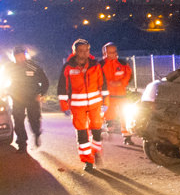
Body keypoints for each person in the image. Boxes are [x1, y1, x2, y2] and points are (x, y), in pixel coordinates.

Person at [58, 39, 109, 171]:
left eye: (87, 50)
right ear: (75, 52)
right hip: (77, 105)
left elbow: (103, 84)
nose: (84, 53)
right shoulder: (68, 67)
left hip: (95, 104)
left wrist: (105, 102)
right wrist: (64, 106)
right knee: (82, 133)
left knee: (97, 130)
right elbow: (62, 88)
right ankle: (88, 161)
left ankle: (96, 151)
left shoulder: (95, 65)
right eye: (81, 51)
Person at [5, 46, 49, 153]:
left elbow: (45, 82)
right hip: (17, 98)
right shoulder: (10, 67)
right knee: (18, 121)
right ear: (14, 57)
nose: (20, 58)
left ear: (25, 56)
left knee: (34, 120)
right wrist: (5, 92)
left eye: (22, 55)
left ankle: (37, 133)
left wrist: (41, 94)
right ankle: (22, 144)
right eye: (17, 56)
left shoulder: (33, 66)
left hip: (32, 98)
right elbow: (4, 81)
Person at [100, 42, 134, 144]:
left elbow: (129, 75)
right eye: (109, 52)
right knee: (107, 116)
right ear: (104, 53)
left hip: (121, 95)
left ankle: (127, 137)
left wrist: (120, 83)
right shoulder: (100, 65)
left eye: (114, 52)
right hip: (107, 96)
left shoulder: (123, 64)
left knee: (125, 116)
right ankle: (101, 132)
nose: (112, 54)